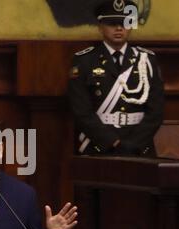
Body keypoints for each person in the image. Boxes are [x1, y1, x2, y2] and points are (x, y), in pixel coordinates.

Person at [68, 0, 164, 157]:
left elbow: (156, 112)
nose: (119, 28)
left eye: (125, 22)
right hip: (99, 146)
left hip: (140, 147)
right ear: (100, 26)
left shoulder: (147, 60)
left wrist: (134, 144)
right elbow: (81, 112)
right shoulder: (84, 61)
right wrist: (113, 142)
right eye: (112, 23)